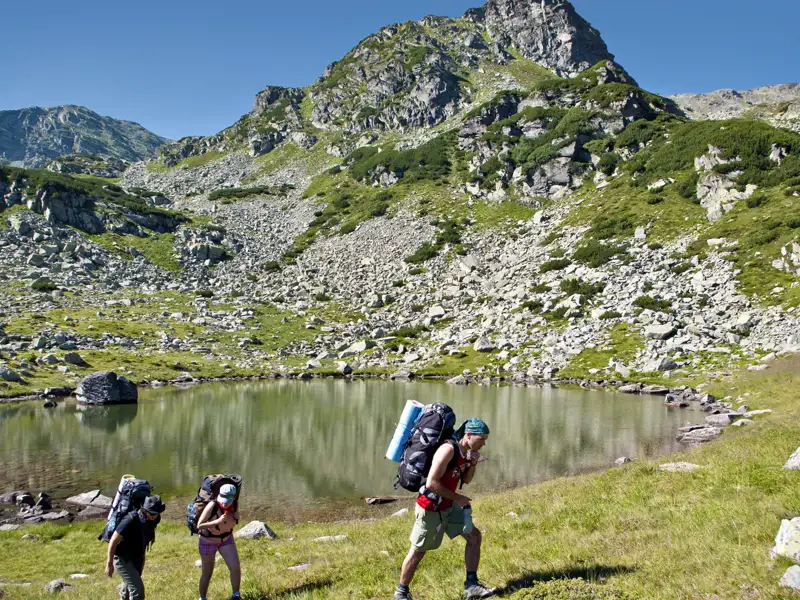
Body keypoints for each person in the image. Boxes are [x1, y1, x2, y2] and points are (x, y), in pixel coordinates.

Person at [394, 418, 498, 600]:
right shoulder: (448, 450)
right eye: (481, 438)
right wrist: (458, 498)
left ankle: (472, 587)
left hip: (448, 506)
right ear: (468, 435)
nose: (484, 443)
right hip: (431, 508)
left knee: (474, 536)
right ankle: (401, 593)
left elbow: (466, 480)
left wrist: (472, 464)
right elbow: (432, 483)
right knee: (418, 551)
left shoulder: (464, 451)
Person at [105, 495, 166, 600]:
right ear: (144, 510)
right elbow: (113, 541)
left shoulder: (154, 519)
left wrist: (141, 562)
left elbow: (144, 540)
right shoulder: (131, 519)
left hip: (137, 557)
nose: (154, 516)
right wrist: (109, 564)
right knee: (138, 591)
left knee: (129, 586)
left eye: (156, 514)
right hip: (122, 558)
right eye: (151, 513)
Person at [197, 483, 241, 600]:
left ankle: (236, 595)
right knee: (207, 573)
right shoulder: (212, 505)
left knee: (235, 567)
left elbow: (235, 520)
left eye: (228, 500)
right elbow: (200, 525)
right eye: (223, 499)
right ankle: (202, 598)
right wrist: (217, 522)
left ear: (233, 498)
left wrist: (235, 515)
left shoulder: (235, 504)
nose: (225, 503)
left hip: (226, 539)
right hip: (207, 541)